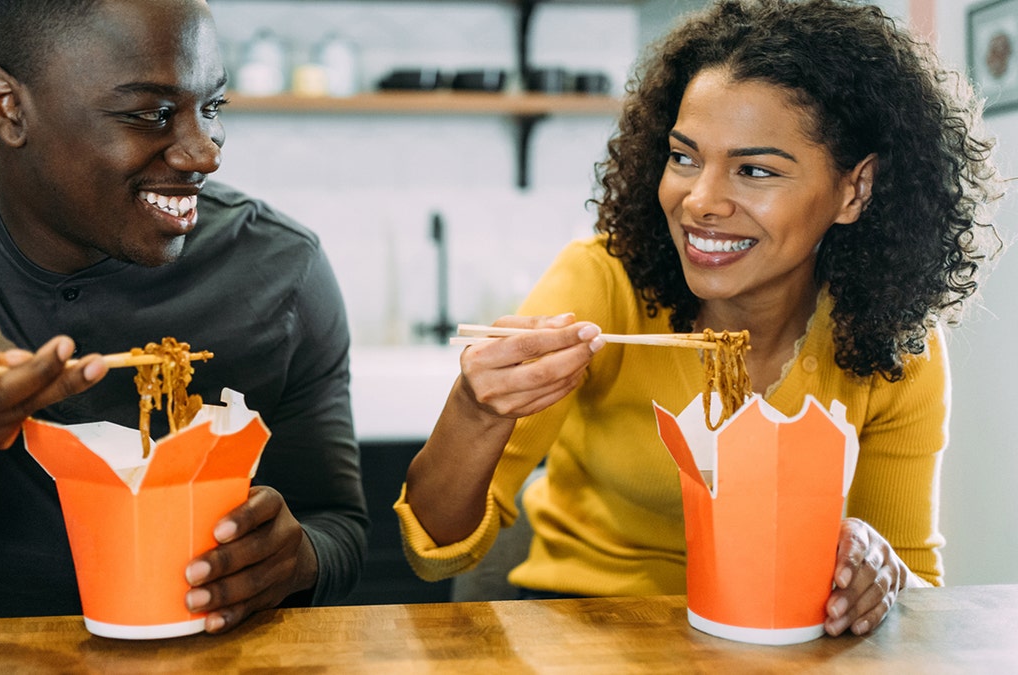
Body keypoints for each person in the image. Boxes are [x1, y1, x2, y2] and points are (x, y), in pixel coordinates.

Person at [396, 0, 1003, 638]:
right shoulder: (603, 285)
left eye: (755, 170)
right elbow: (435, 551)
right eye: (685, 157)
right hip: (585, 629)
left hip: (783, 642)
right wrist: (473, 411)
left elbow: (910, 579)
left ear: (856, 190)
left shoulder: (890, 345)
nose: (700, 202)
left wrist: (879, 576)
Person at [0, 0, 368, 632]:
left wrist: (300, 559)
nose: (204, 155)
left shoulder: (279, 269)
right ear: (7, 105)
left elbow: (338, 527)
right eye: (149, 114)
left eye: (212, 108)